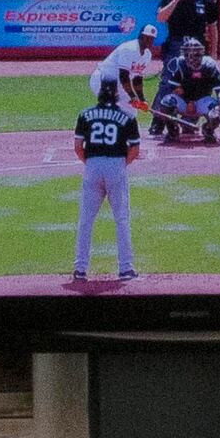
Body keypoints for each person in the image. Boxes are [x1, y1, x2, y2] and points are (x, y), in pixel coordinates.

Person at [70, 76, 143, 286]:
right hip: (116, 165)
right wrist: (120, 165)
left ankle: (80, 269)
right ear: (117, 93)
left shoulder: (85, 115)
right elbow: (135, 149)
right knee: (122, 219)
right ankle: (126, 268)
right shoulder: (127, 117)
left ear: (100, 91)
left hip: (92, 166)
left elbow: (77, 147)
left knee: (85, 221)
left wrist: (91, 163)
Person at [152, 38, 220, 146]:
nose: (191, 58)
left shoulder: (209, 65)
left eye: (195, 54)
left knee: (219, 112)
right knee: (166, 102)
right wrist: (188, 100)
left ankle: (208, 129)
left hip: (202, 100)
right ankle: (173, 129)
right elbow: (173, 87)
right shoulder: (180, 63)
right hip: (184, 100)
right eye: (188, 54)